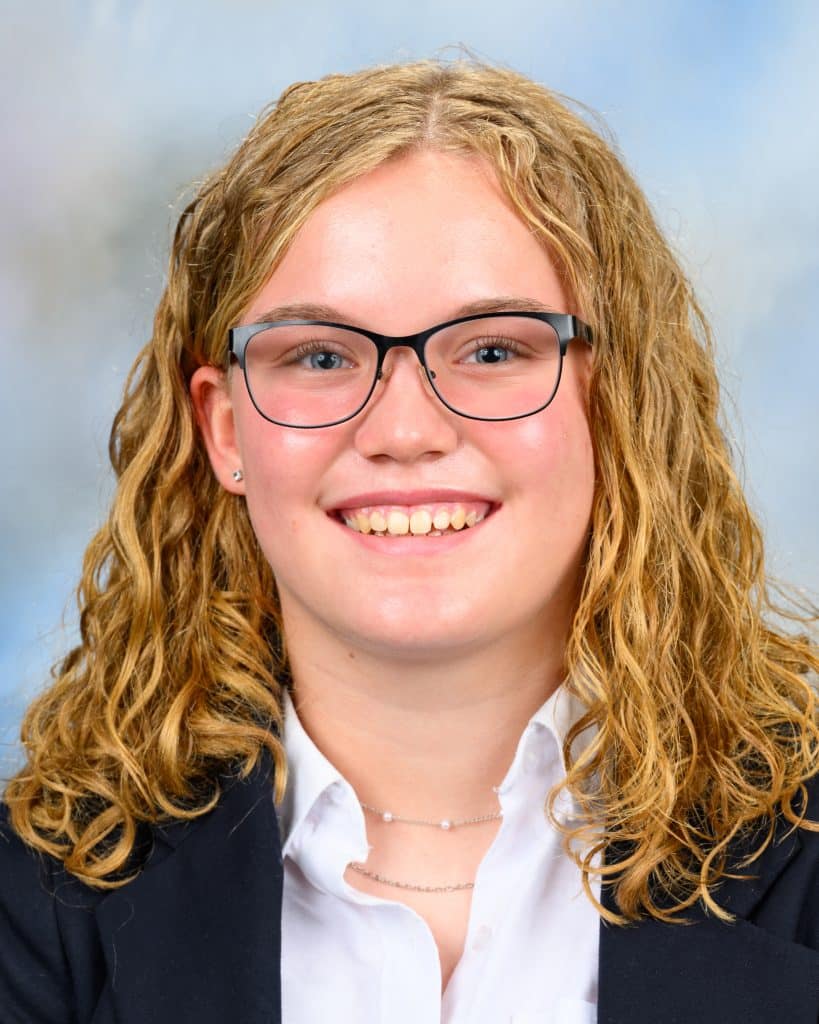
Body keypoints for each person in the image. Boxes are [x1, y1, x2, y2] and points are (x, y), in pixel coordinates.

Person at [1, 58, 818, 1024]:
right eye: (318, 355)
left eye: (490, 349)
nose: (402, 430)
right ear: (225, 431)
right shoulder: (39, 904)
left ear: (618, 400)